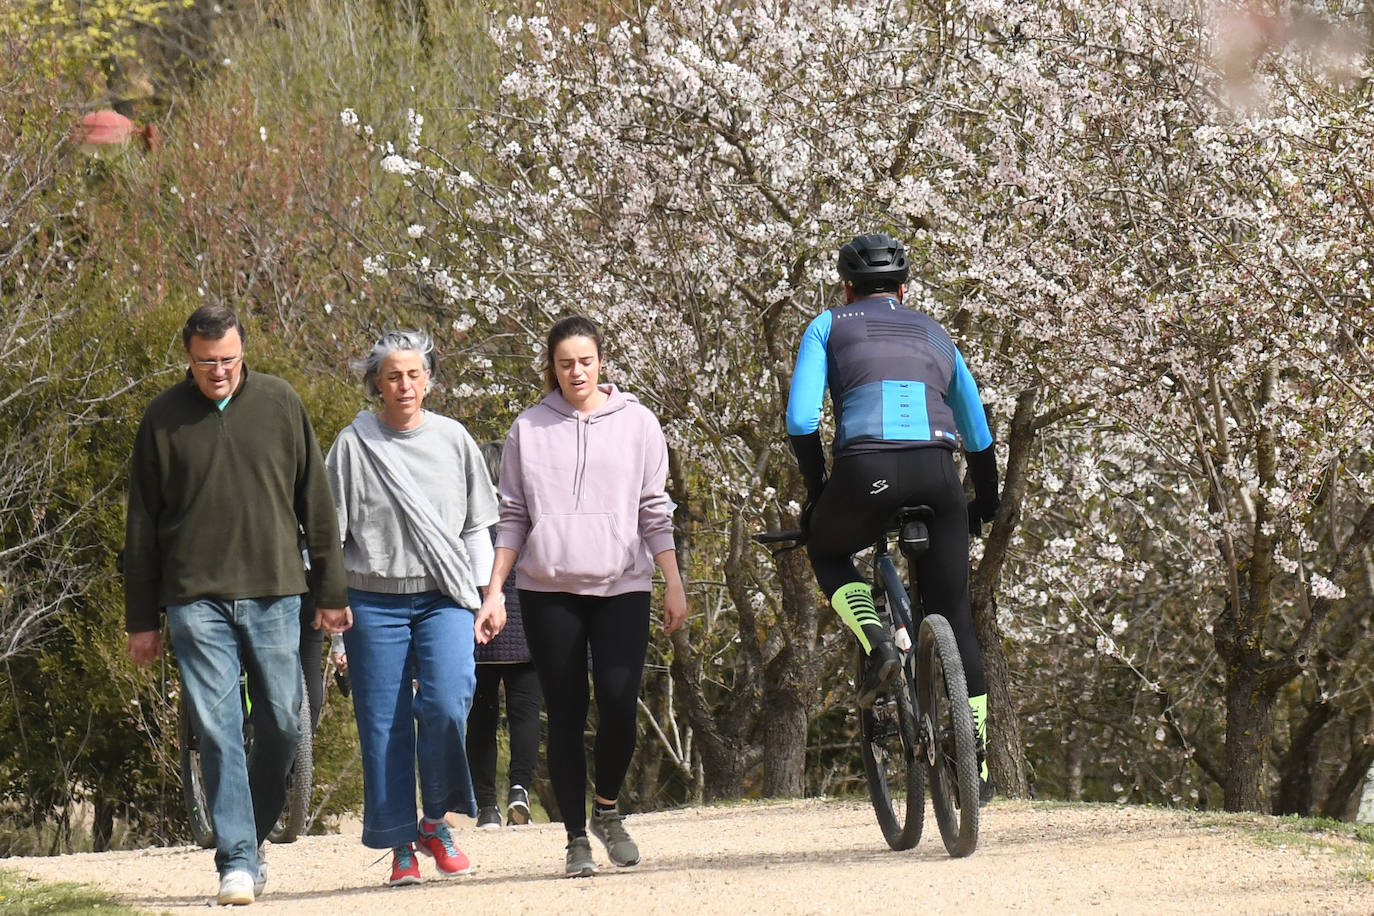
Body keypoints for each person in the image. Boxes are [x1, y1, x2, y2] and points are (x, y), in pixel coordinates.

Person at [123, 304, 351, 907]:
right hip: (194, 600)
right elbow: (141, 525)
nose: (217, 372)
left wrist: (330, 592)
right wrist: (141, 619)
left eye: (226, 360)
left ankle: (250, 832)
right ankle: (238, 861)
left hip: (277, 591)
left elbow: (317, 505)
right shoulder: (163, 419)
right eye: (205, 363)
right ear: (188, 359)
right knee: (219, 730)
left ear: (242, 352)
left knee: (281, 719)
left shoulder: (280, 404)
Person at [785, 232, 1000, 801]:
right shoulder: (937, 332)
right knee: (955, 613)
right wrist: (986, 504)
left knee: (828, 550)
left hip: (863, 471)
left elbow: (802, 422)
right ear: (905, 289)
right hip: (939, 473)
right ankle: (974, 767)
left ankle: (876, 636)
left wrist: (817, 494)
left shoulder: (826, 325)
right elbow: (977, 435)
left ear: (846, 286)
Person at [477, 314, 687, 878]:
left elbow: (653, 506)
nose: (576, 372)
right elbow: (513, 516)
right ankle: (575, 837)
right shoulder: (529, 428)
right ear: (552, 367)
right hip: (549, 589)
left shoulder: (638, 423)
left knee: (619, 703)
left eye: (586, 361)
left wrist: (673, 580)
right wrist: (495, 591)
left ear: (601, 363)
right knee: (565, 713)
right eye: (565, 363)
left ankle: (609, 809)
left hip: (623, 583)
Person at [325, 330, 503, 887]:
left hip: (445, 596)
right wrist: (332, 622)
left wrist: (484, 597)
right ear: (375, 383)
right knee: (382, 724)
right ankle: (399, 840)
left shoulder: (454, 439)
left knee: (450, 703)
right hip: (371, 599)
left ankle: (433, 821)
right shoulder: (353, 446)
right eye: (392, 375)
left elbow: (477, 525)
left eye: (414, 374)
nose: (404, 385)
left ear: (428, 380)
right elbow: (328, 539)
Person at [466, 440, 544, 830]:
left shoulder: (471, 516)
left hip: (478, 629)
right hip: (526, 627)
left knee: (480, 718)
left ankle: (486, 807)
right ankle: (519, 789)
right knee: (525, 713)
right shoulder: (526, 513)